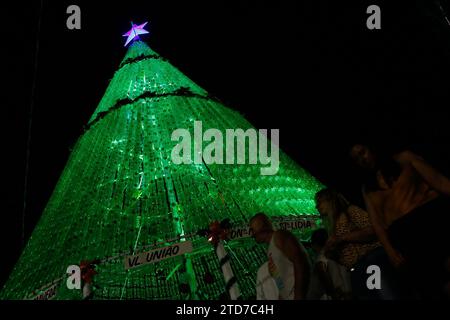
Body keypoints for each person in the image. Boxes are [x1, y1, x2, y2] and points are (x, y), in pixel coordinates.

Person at [351, 144, 450, 299]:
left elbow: (440, 182)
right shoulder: (368, 189)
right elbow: (377, 223)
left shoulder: (404, 159)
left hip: (429, 217)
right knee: (431, 286)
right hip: (404, 234)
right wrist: (391, 252)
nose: (362, 160)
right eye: (356, 159)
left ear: (371, 148)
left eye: (362, 153)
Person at [315, 188, 387, 299]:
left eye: (320, 202)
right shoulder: (332, 225)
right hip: (357, 269)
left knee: (382, 296)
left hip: (370, 262)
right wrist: (332, 253)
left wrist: (341, 238)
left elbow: (373, 230)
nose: (317, 206)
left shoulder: (350, 211)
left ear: (330, 200)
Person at [250, 213, 310, 300]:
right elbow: (280, 280)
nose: (252, 234)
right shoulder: (271, 249)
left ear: (261, 226)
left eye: (252, 229)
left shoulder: (279, 236)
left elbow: (301, 261)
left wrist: (299, 295)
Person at [307, 228, 351, 300]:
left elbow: (322, 271)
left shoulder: (322, 258)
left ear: (314, 244)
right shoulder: (336, 256)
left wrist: (334, 293)